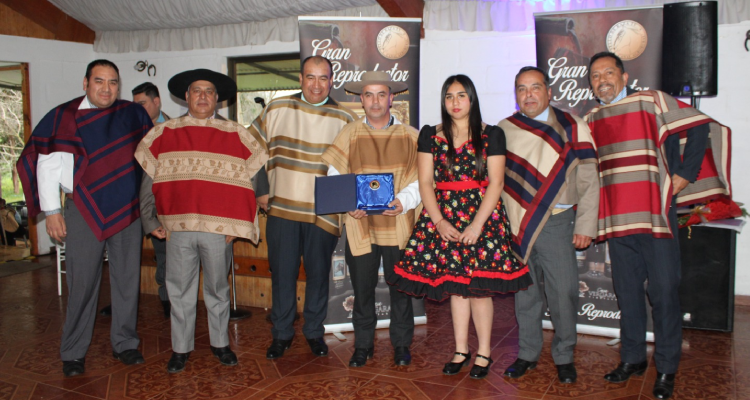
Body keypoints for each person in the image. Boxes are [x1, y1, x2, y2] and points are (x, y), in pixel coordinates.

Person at [586, 52, 730, 399]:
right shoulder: (591, 119)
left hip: (656, 215)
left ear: (624, 76)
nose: (602, 79)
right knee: (628, 293)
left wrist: (683, 175)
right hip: (618, 220)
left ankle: (666, 368)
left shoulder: (652, 101)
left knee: (664, 292)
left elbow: (697, 125)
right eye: (595, 76)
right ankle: (633, 358)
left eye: (609, 72)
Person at [388, 74, 532, 379]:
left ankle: (484, 353)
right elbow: (425, 182)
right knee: (456, 287)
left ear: (472, 99)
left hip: (483, 218)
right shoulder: (429, 135)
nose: (455, 102)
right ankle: (461, 349)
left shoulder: (492, 134)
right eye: (449, 96)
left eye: (461, 95)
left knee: (479, 289)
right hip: (444, 218)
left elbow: (496, 183)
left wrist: (478, 225)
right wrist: (438, 221)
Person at [16, 59, 153, 377]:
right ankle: (74, 352)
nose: (106, 88)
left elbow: (151, 155)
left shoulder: (131, 115)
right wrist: (51, 212)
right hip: (83, 208)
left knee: (127, 281)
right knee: (82, 282)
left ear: (119, 85)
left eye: (113, 82)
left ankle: (125, 344)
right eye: (99, 81)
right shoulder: (64, 117)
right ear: (85, 83)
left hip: (126, 208)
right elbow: (46, 166)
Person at [135, 68, 268, 373]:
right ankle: (180, 349)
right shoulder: (164, 133)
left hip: (218, 231)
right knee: (178, 291)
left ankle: (220, 343)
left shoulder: (236, 134)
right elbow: (148, 180)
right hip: (176, 229)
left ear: (217, 99)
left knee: (218, 290)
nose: (203, 96)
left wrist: (239, 226)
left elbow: (252, 179)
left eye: (209, 91)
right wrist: (148, 219)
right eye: (197, 90)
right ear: (187, 96)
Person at [249, 56, 357, 359]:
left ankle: (313, 331)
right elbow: (252, 149)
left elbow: (352, 168)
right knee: (282, 274)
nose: (317, 84)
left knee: (318, 274)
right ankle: (281, 333)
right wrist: (261, 190)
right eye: (311, 77)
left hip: (322, 212)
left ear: (331, 81)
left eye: (323, 78)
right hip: (282, 206)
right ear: (300, 78)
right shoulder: (277, 109)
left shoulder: (344, 119)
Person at [498, 66, 599, 384]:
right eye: (521, 89)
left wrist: (586, 224)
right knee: (525, 294)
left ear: (549, 91)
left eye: (535, 87)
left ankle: (565, 355)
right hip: (518, 224)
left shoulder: (571, 125)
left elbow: (589, 179)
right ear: (515, 95)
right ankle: (527, 353)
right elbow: (496, 181)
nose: (528, 94)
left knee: (563, 293)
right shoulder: (504, 129)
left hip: (558, 222)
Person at [321, 71, 420, 367]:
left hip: (398, 224)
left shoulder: (410, 136)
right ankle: (363, 345)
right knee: (361, 289)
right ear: (360, 100)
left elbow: (421, 180)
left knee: (400, 289)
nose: (375, 101)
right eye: (368, 95)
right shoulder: (349, 134)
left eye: (381, 94)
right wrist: (348, 203)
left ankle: (401, 345)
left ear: (391, 98)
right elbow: (335, 174)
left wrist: (403, 201)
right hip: (361, 223)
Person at [133, 82, 171, 317]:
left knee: (165, 257)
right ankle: (122, 302)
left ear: (156, 102)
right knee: (125, 256)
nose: (138, 110)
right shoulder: (130, 130)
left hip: (160, 206)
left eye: (142, 104)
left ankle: (167, 299)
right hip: (128, 204)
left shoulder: (173, 130)